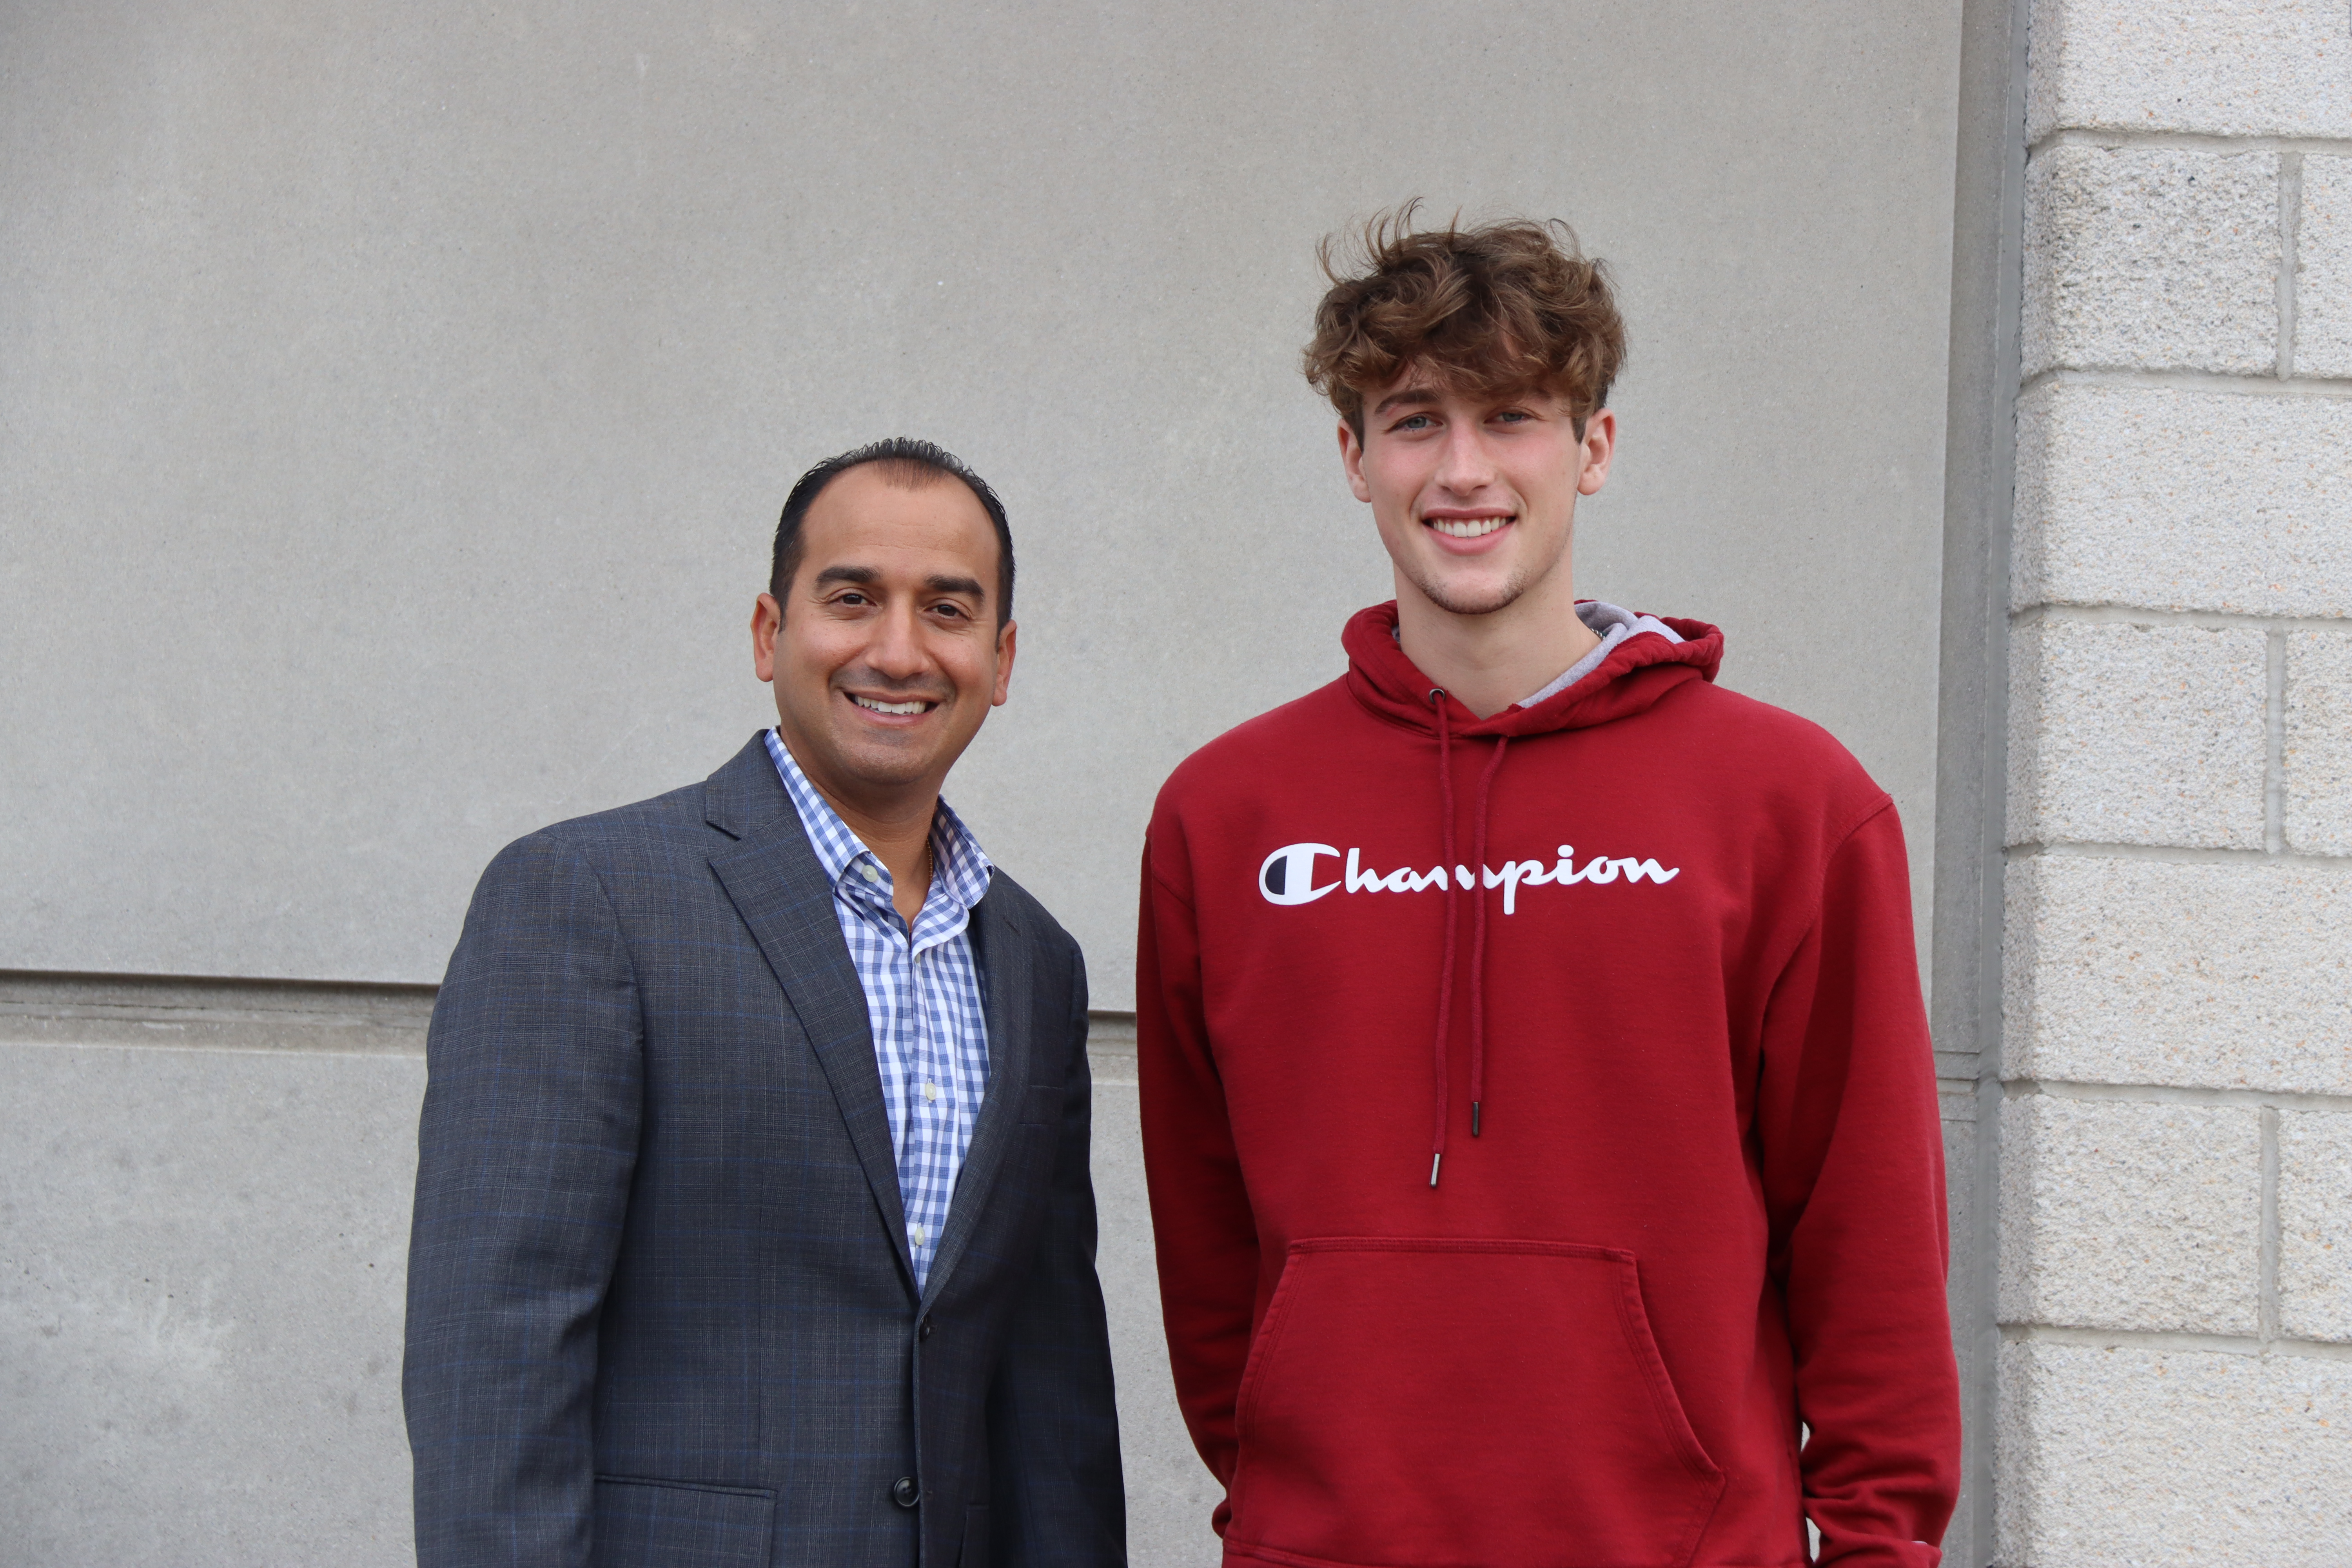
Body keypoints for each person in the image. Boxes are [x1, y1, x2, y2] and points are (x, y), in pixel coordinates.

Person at [1136, 213, 1960, 1567]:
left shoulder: (1791, 806)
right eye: (1413, 420)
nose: (1463, 471)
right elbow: (1209, 1243)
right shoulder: (1228, 817)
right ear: (1353, 459)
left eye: (1512, 415)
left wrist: (1879, 1549)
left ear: (1594, 448)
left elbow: (1868, 1238)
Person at [405, 438, 1125, 1568]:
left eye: (947, 608)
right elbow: (494, 1355)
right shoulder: (586, 898)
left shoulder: (1035, 961)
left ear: (1001, 656)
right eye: (853, 598)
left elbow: (1052, 1386)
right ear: (768, 632)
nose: (898, 649)